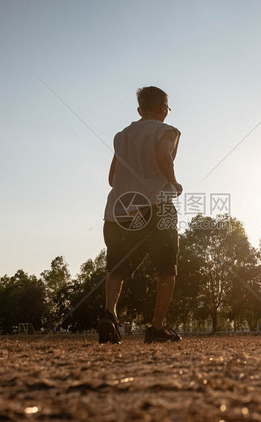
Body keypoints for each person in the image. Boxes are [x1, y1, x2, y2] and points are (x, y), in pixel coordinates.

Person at [97, 86, 183, 344]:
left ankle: (109, 314)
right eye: (167, 108)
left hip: (119, 210)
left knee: (117, 268)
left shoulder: (121, 136)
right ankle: (156, 328)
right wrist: (174, 183)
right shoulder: (167, 131)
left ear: (139, 110)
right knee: (167, 268)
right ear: (163, 109)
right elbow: (162, 156)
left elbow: (112, 178)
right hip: (158, 205)